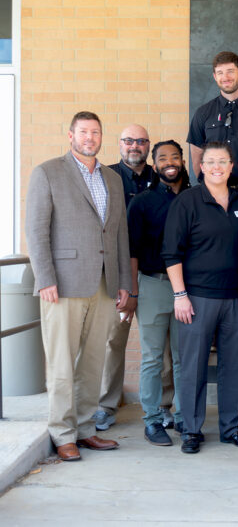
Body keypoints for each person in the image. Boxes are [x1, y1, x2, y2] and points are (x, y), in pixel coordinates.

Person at [25, 111, 131, 461]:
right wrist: (46, 279)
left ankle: (85, 429)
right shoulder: (48, 172)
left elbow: (118, 235)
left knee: (92, 362)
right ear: (70, 135)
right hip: (63, 284)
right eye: (83, 131)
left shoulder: (113, 179)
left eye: (95, 132)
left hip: (104, 284)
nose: (90, 137)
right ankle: (62, 432)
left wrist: (123, 283)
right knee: (60, 363)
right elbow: (37, 231)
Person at [162, 141, 238, 454]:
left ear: (232, 166)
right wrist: (180, 295)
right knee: (194, 366)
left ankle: (231, 428)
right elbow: (171, 253)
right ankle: (190, 429)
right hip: (197, 298)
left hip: (235, 298)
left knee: (233, 366)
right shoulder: (188, 202)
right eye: (210, 162)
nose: (216, 167)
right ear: (201, 167)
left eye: (223, 161)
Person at [127, 140, 192, 446]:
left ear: (182, 162)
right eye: (163, 158)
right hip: (152, 284)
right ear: (155, 165)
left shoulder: (196, 199)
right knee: (153, 358)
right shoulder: (142, 202)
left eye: (175, 157)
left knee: (182, 358)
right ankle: (153, 420)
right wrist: (133, 290)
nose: (170, 162)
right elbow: (132, 250)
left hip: (188, 288)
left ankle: (181, 416)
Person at [93, 124, 155, 432]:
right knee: (114, 340)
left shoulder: (160, 179)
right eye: (129, 140)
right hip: (118, 272)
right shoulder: (105, 178)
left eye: (141, 141)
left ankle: (162, 405)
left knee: (160, 345)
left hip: (155, 273)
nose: (135, 146)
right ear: (119, 144)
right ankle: (106, 404)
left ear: (148, 146)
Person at [187, 51, 238, 205]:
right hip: (212, 194)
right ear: (214, 76)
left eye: (230, 71)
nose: (225, 77)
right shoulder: (203, 113)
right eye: (220, 73)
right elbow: (196, 156)